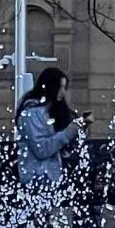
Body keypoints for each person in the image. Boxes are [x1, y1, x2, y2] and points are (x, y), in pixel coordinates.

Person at [16, 64, 84, 197]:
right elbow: (41, 149)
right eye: (61, 87)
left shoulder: (51, 112)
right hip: (36, 178)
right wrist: (68, 132)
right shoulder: (31, 114)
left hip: (51, 177)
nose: (63, 93)